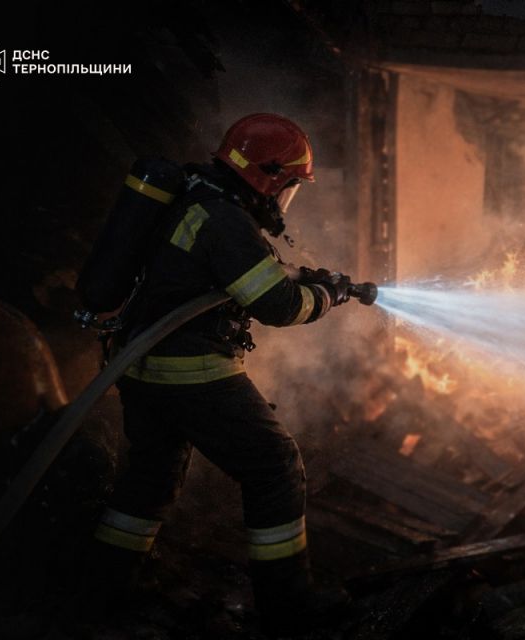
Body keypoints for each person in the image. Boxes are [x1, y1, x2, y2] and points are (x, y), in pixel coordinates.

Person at [80, 113, 350, 633]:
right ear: (270, 177)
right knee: (274, 466)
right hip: (191, 373)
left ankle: (104, 588)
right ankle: (289, 606)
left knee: (149, 481)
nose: (288, 197)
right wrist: (327, 295)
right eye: (291, 185)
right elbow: (276, 303)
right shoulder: (225, 220)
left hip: (141, 367)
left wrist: (303, 276)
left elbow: (226, 273)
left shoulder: (195, 199)